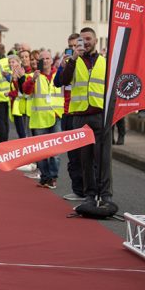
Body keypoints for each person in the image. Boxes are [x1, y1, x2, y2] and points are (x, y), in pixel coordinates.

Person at [60, 27, 112, 205]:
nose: (85, 42)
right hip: (80, 115)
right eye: (82, 40)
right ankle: (89, 194)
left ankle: (105, 195)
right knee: (86, 159)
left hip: (100, 115)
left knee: (103, 159)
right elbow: (62, 81)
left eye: (88, 39)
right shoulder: (73, 61)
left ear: (96, 41)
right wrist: (72, 59)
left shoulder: (106, 62)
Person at [22, 50, 64, 188]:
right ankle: (45, 176)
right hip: (40, 118)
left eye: (47, 58)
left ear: (51, 60)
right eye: (42, 59)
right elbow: (26, 91)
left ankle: (52, 177)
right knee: (41, 151)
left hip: (56, 115)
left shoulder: (58, 74)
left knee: (55, 150)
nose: (45, 61)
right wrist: (33, 79)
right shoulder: (34, 76)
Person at [55, 33, 84, 201]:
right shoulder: (68, 62)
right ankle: (78, 189)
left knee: (86, 156)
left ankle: (89, 190)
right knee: (73, 156)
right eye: (70, 46)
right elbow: (58, 82)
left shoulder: (86, 63)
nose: (73, 49)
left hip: (82, 112)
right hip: (67, 112)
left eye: (76, 45)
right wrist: (62, 65)